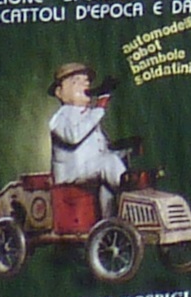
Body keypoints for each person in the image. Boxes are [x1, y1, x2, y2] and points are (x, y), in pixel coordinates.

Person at [48, 64, 130, 197]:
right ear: (60, 92)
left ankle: (110, 216)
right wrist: (100, 105)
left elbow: (101, 149)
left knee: (107, 190)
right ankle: (131, 192)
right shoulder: (61, 117)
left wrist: (123, 152)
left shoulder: (89, 115)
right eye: (76, 81)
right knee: (108, 163)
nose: (85, 84)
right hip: (71, 175)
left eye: (86, 81)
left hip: (89, 172)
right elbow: (73, 136)